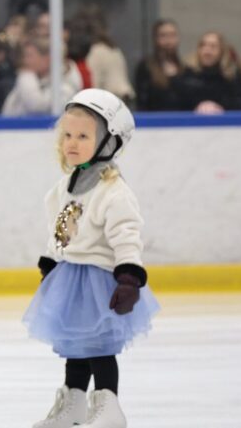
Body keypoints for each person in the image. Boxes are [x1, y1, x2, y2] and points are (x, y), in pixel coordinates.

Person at [23, 89, 159, 428]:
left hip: (100, 280)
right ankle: (73, 404)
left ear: (110, 142)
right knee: (74, 347)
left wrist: (129, 279)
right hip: (69, 279)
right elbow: (60, 232)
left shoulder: (113, 192)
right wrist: (51, 267)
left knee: (98, 347)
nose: (71, 142)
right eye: (67, 134)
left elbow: (127, 235)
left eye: (83, 136)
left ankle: (109, 407)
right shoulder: (63, 187)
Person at [2, 37, 82, 117]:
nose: (25, 61)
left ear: (47, 58)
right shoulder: (33, 79)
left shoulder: (65, 88)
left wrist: (26, 77)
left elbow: (35, 107)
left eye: (29, 56)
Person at [178, 32, 241, 113]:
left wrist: (219, 108)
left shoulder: (232, 77)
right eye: (203, 46)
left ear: (222, 51)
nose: (207, 51)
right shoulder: (186, 75)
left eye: (213, 47)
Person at [134, 19, 185, 112]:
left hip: (182, 123)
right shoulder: (146, 67)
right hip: (155, 123)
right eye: (163, 36)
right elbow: (141, 103)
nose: (168, 41)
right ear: (156, 39)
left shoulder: (185, 69)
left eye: (172, 35)